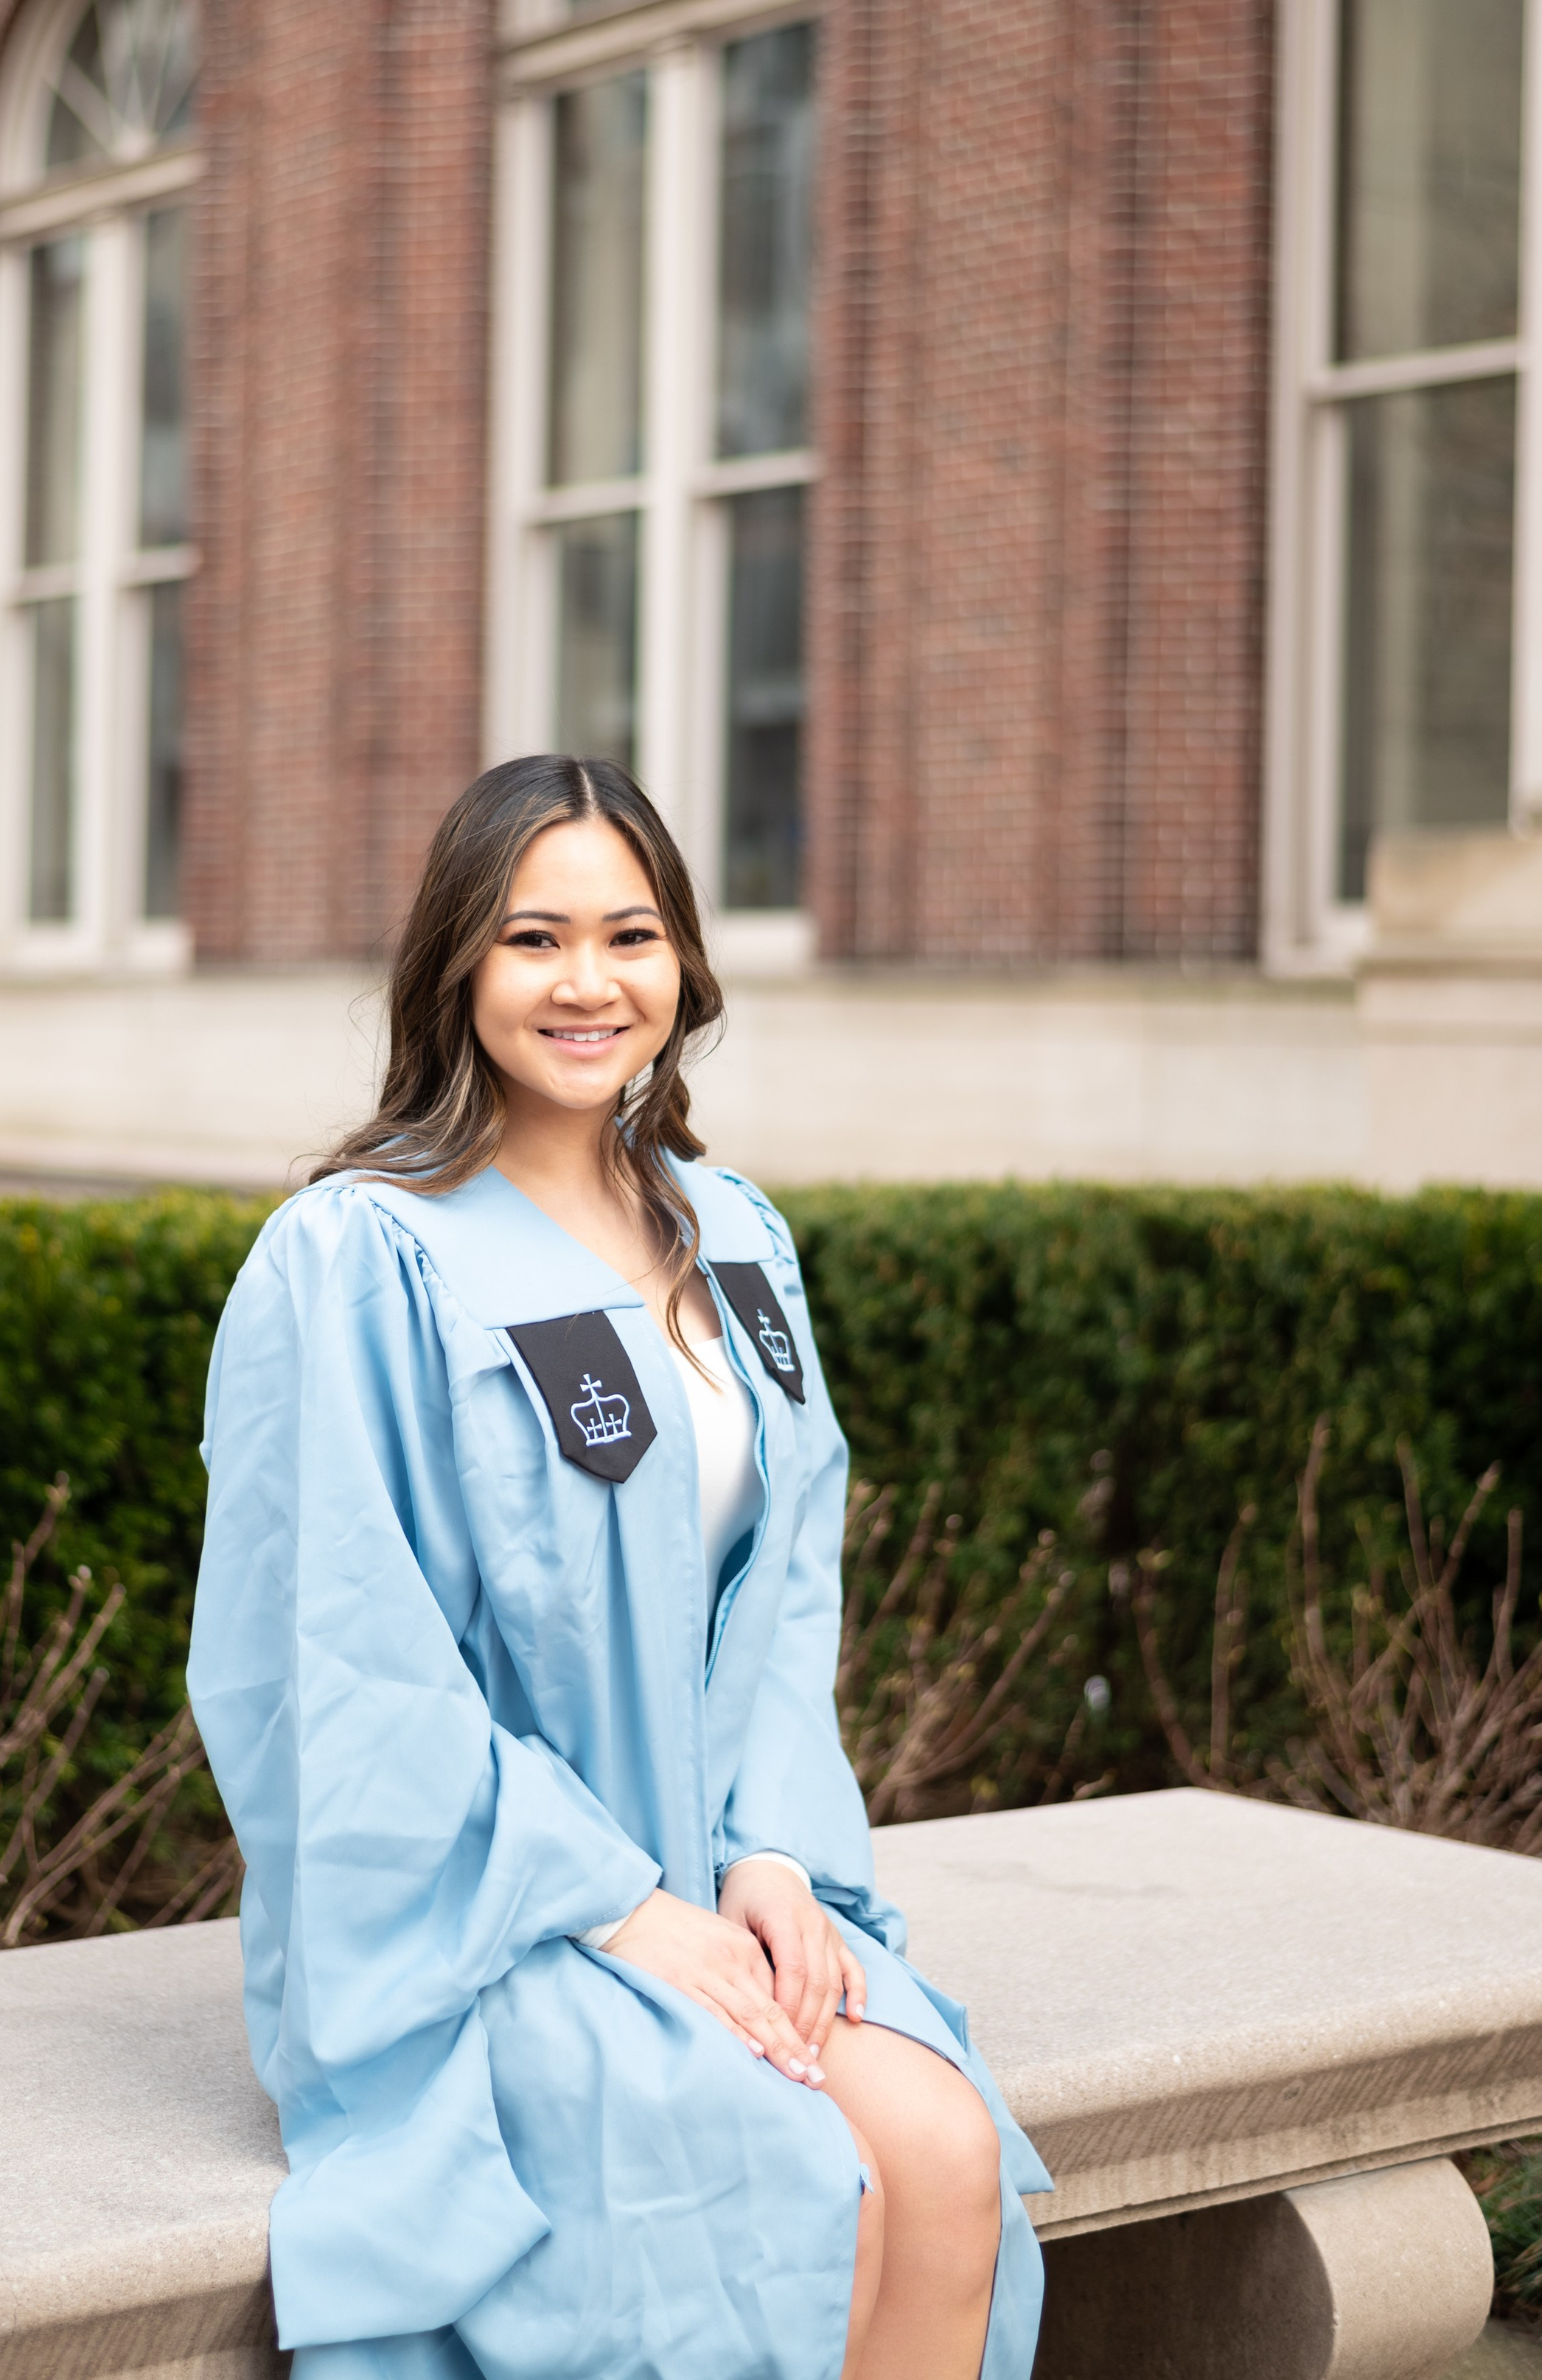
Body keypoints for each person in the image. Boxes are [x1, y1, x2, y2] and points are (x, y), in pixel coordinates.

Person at [189, 755, 1047, 2380]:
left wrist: (774, 1859)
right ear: (456, 967)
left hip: (722, 1868)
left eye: (628, 935)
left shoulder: (731, 1236)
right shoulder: (361, 1255)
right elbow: (339, 1662)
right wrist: (616, 1908)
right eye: (531, 940)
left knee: (942, 2156)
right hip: (491, 1908)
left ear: (682, 965)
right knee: (800, 2182)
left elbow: (787, 1584)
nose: (586, 984)